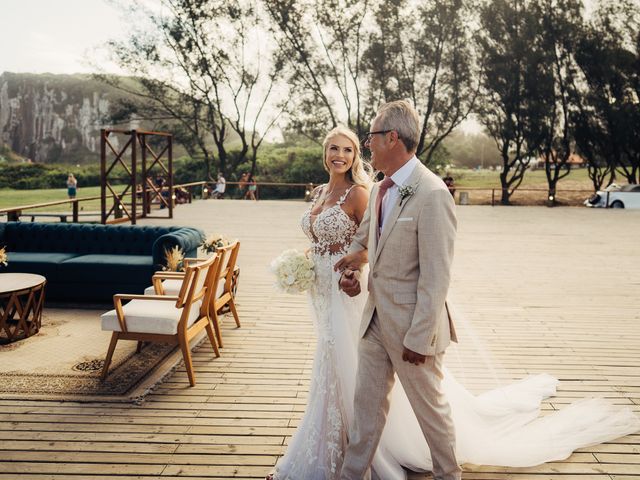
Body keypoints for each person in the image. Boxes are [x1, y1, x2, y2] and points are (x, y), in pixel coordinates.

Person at [266, 104, 640, 480]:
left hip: (414, 328)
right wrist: (350, 273)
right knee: (365, 414)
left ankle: (449, 476)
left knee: (432, 415)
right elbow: (365, 246)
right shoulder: (379, 187)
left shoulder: (432, 193)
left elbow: (436, 275)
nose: (367, 145)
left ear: (392, 138)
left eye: (372, 137)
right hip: (373, 322)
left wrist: (419, 336)